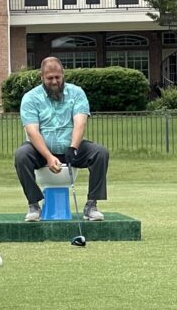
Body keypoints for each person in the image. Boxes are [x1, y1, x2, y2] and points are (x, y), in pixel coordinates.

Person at [14, 57, 109, 222]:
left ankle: (91, 205)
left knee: (100, 153)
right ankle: (33, 204)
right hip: (41, 151)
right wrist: (48, 156)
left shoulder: (77, 93)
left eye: (57, 77)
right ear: (41, 77)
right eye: (49, 78)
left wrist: (73, 147)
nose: (54, 81)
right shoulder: (30, 98)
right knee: (21, 155)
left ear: (63, 75)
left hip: (71, 148)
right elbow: (32, 131)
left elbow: (80, 122)